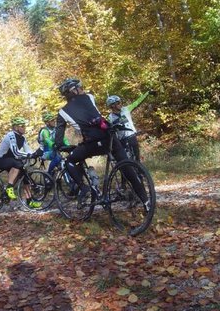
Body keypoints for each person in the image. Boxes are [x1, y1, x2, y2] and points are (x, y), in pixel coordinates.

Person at [53, 78, 151, 212]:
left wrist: (62, 146)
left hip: (92, 144)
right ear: (74, 91)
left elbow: (58, 138)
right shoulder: (90, 97)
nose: (83, 89)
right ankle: (146, 202)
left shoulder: (62, 112)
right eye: (80, 87)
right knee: (127, 167)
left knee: (70, 160)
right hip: (109, 137)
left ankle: (83, 187)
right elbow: (95, 113)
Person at [0, 116, 42, 207]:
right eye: (22, 126)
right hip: (1, 160)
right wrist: (29, 155)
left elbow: (28, 150)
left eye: (25, 126)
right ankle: (9, 188)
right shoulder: (11, 135)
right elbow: (16, 152)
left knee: (25, 178)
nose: (24, 127)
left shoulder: (22, 137)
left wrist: (35, 153)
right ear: (16, 127)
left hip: (11, 160)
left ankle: (30, 201)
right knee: (17, 164)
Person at [106, 91, 151, 161]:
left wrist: (147, 93)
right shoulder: (110, 118)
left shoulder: (126, 109)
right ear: (112, 106)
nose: (120, 104)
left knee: (137, 157)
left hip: (131, 136)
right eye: (118, 103)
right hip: (122, 140)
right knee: (127, 159)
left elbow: (137, 102)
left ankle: (140, 171)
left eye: (120, 102)